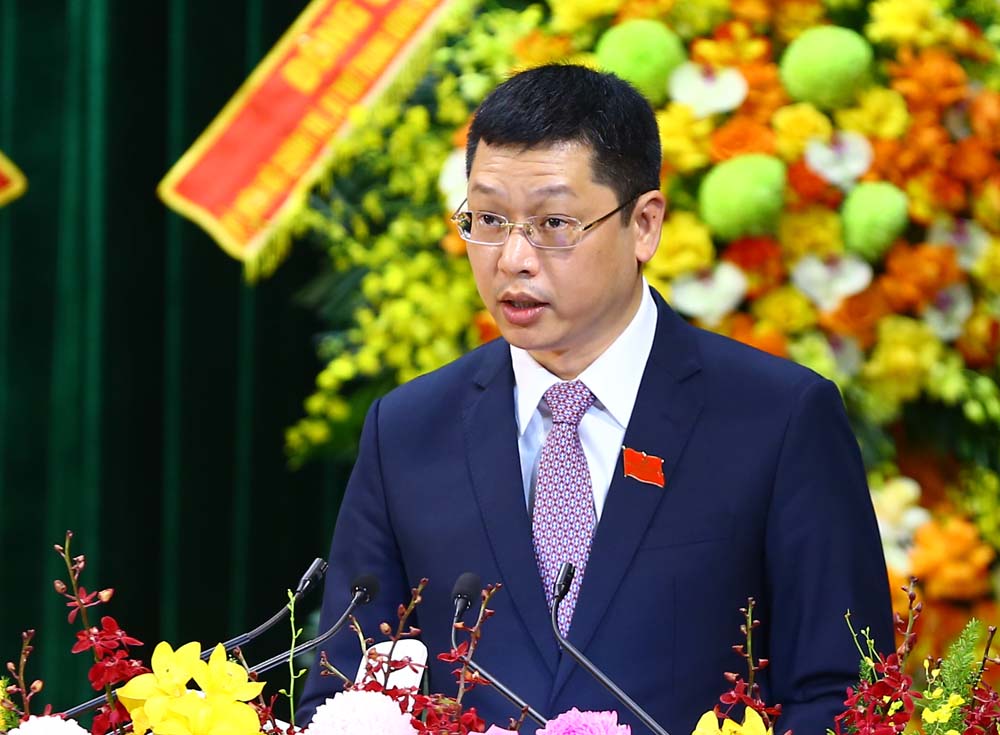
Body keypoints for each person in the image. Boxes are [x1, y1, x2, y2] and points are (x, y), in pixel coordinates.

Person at [296, 64, 893, 734]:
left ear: (643, 225)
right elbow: (343, 697)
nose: (512, 257)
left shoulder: (778, 419)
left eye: (553, 223)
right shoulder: (407, 430)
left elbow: (845, 698)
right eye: (487, 219)